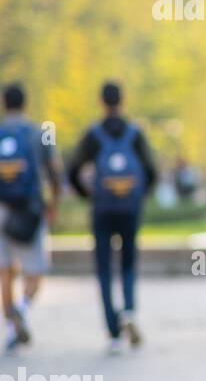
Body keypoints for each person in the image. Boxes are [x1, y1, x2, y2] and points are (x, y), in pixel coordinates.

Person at [66, 81, 157, 354]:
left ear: (101, 101)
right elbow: (151, 171)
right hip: (129, 209)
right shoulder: (135, 133)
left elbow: (72, 170)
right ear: (123, 100)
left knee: (104, 268)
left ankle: (113, 329)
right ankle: (129, 309)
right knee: (128, 262)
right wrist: (138, 196)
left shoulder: (93, 135)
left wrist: (89, 194)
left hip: (103, 209)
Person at [0, 84, 62, 351]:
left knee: (5, 270)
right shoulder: (41, 132)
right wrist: (54, 203)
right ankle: (22, 309)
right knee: (35, 269)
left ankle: (11, 325)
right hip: (30, 208)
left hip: (2, 208)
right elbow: (55, 171)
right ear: (26, 103)